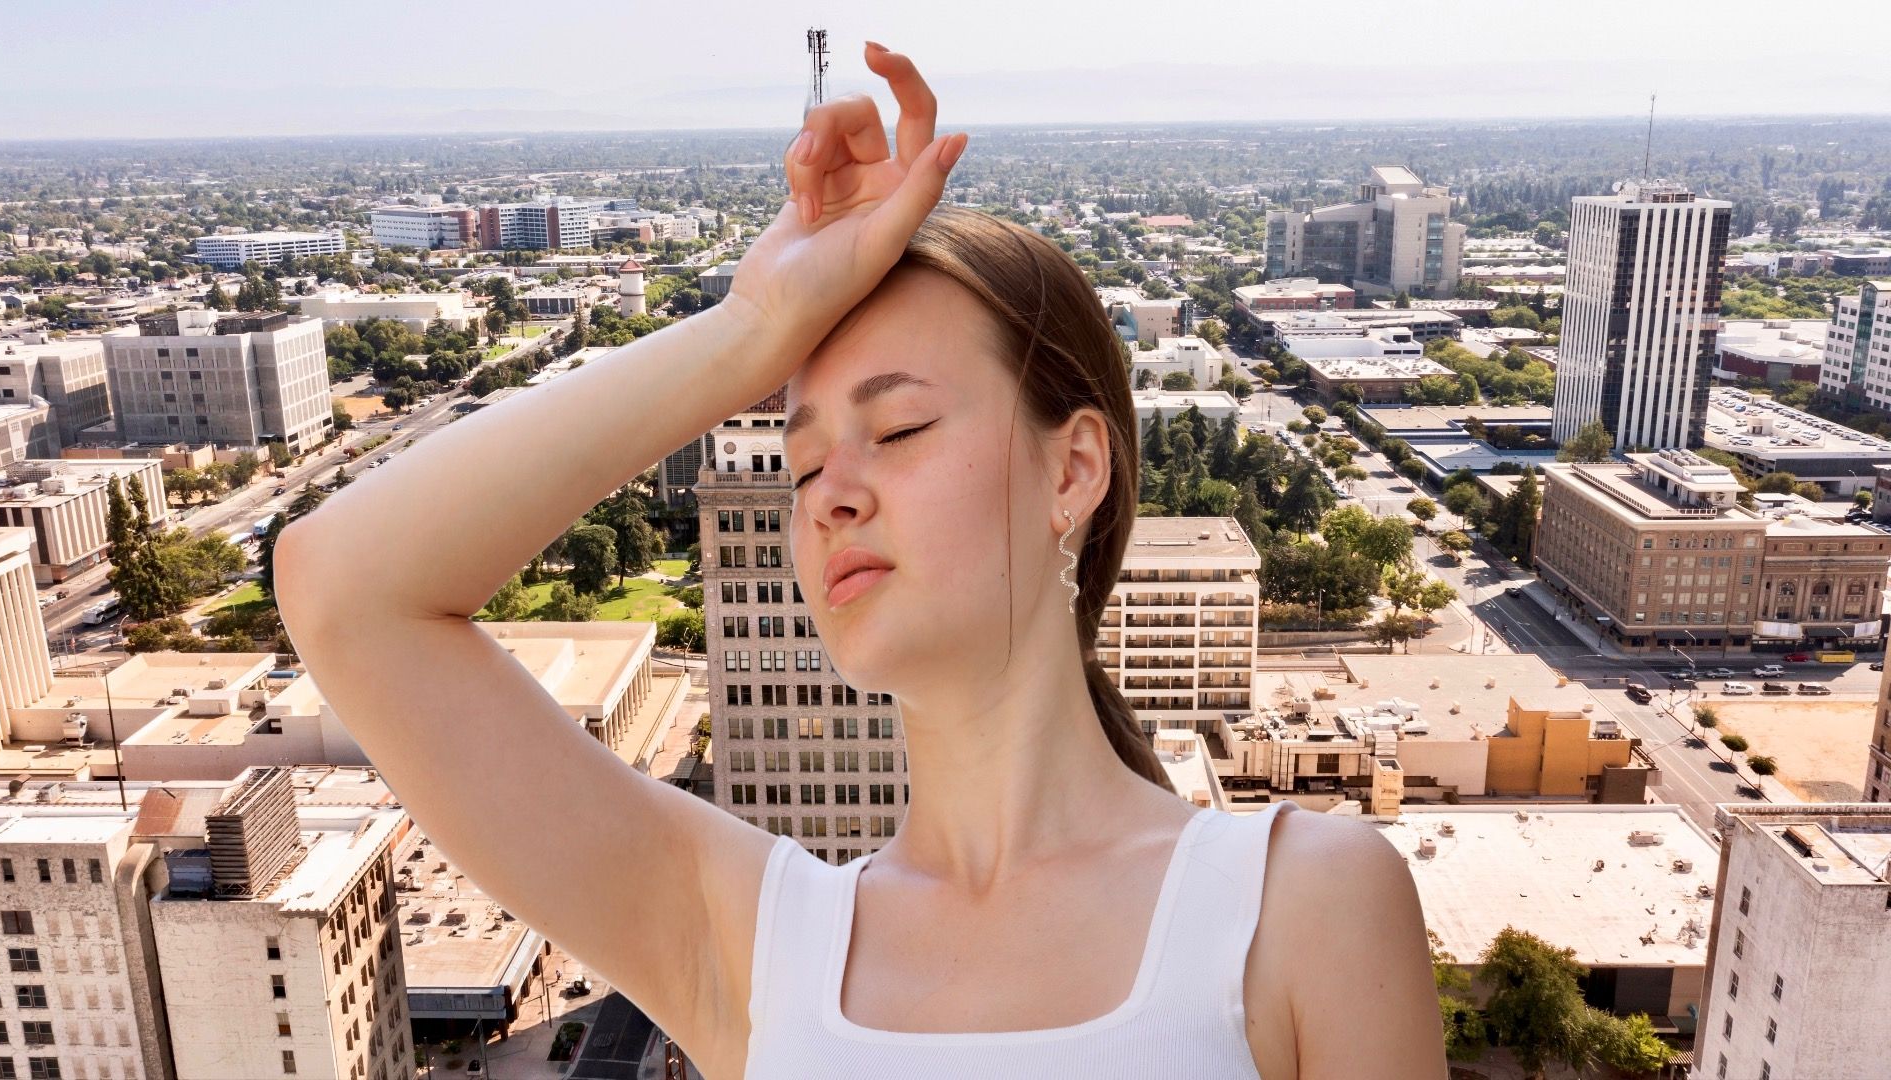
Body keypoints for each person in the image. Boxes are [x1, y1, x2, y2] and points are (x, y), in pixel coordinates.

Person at [276, 42, 1444, 1080]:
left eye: (898, 429)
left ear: (1073, 471)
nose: (830, 491)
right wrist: (749, 326)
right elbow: (343, 587)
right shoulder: (763, 947)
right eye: (799, 464)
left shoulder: (1300, 907)